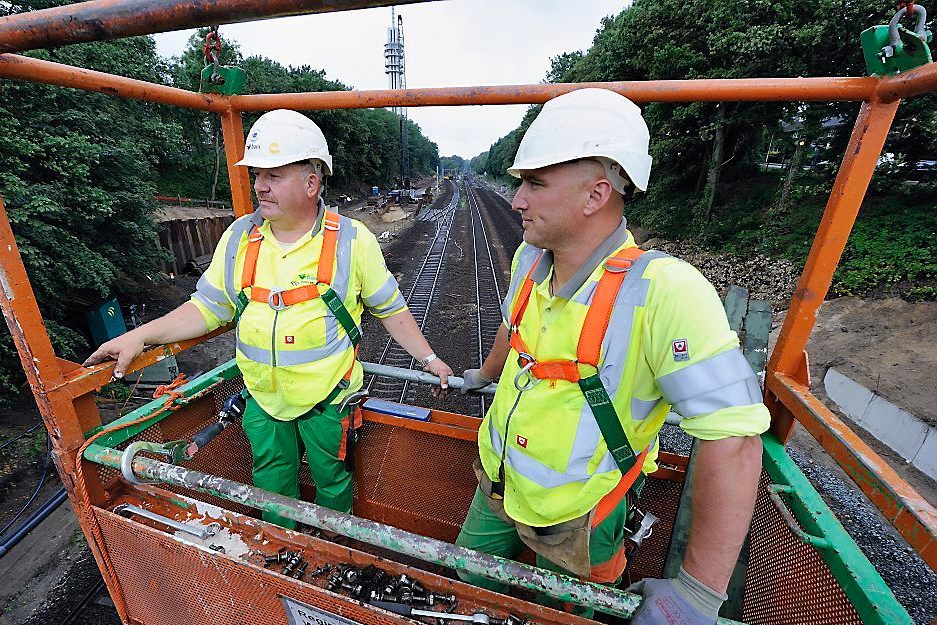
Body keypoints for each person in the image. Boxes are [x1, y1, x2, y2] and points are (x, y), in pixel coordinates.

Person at [457, 89, 770, 625]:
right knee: (470, 585)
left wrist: (699, 594)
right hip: (497, 482)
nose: (516, 201)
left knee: (563, 616)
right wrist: (482, 376)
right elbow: (515, 337)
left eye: (534, 183)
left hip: (583, 513)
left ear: (595, 194)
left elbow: (734, 440)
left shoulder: (666, 291)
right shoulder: (531, 263)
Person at [84, 109, 452, 529]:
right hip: (262, 400)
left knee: (333, 484)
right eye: (258, 174)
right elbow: (207, 307)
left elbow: (390, 308)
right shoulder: (241, 236)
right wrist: (141, 337)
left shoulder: (352, 240)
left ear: (311, 183)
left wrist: (429, 360)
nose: (259, 185)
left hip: (329, 401)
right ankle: (281, 555)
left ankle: (334, 552)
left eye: (273, 175)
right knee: (272, 491)